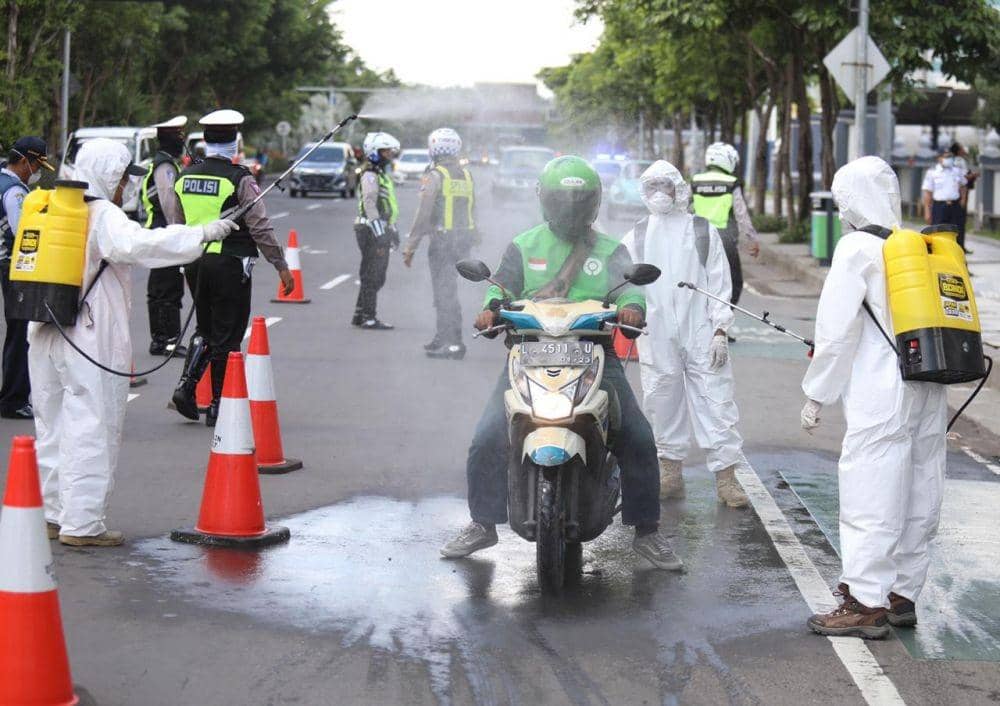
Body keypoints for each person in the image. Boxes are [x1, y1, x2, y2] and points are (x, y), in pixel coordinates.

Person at [440, 155, 681, 571]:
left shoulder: (611, 250)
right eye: (563, 200)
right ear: (545, 200)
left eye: (580, 200)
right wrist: (490, 310)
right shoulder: (524, 245)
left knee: (638, 437)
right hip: (530, 351)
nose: (571, 209)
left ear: (594, 202)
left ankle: (647, 531)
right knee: (486, 437)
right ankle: (482, 523)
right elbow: (500, 287)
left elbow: (630, 290)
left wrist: (632, 310)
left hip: (594, 351)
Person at [29, 138, 237, 546]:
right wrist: (201, 234)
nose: (126, 186)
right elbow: (141, 245)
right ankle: (82, 525)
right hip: (87, 334)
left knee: (52, 426)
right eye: (124, 178)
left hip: (43, 327)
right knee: (92, 423)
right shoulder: (102, 214)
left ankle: (53, 514)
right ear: (109, 175)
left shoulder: (52, 205)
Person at [801, 156, 948, 639]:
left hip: (882, 390)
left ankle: (865, 602)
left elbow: (836, 332)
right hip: (929, 383)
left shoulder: (856, 249)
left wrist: (816, 393)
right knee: (921, 486)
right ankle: (902, 594)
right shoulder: (921, 248)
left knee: (872, 488)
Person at [623, 160, 749, 509]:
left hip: (701, 329)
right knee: (661, 400)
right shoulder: (636, 235)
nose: (658, 193)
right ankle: (670, 474)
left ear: (678, 189)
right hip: (656, 332)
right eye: (651, 187)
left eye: (664, 186)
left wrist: (720, 329)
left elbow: (719, 284)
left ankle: (726, 479)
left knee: (716, 399)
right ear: (643, 192)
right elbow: (621, 281)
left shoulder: (701, 230)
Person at [169, 109, 293, 426]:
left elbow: (177, 223)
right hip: (229, 263)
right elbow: (260, 226)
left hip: (194, 261)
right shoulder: (240, 179)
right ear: (235, 143)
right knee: (228, 334)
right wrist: (280, 264)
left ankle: (186, 388)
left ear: (205, 141)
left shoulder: (184, 177)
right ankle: (218, 406)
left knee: (205, 328)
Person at [402, 127, 477, 359]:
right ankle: (442, 337)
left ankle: (453, 344)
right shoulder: (466, 175)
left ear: (434, 149)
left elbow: (423, 214)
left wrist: (410, 246)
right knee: (446, 291)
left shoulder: (435, 176)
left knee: (445, 293)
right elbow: (472, 209)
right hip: (463, 241)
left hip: (443, 242)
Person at [0, 136, 52, 419]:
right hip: (15, 267)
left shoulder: (1, 181)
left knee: (17, 332)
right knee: (20, 334)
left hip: (5, 264)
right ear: (24, 161)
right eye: (37, 165)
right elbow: (24, 233)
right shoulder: (15, 192)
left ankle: (11, 396)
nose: (37, 172)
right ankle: (13, 400)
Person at [142, 115, 190, 357]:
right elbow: (169, 203)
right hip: (165, 233)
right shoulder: (165, 167)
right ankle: (167, 341)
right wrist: (178, 234)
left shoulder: (163, 163)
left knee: (161, 288)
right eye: (179, 136)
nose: (182, 141)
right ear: (170, 138)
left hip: (159, 232)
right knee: (168, 290)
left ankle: (161, 340)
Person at [691, 142, 760, 309]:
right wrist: (752, 239)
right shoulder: (731, 182)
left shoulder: (696, 181)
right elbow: (741, 214)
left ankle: (701, 316)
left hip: (697, 238)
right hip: (724, 238)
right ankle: (722, 318)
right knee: (734, 282)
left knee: (697, 280)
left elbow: (683, 207)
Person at [352, 131, 400, 330]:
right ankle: (368, 317)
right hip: (370, 230)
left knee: (374, 275)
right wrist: (381, 234)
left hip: (378, 228)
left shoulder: (379, 173)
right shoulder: (370, 174)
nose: (389, 155)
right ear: (374, 152)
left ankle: (359, 313)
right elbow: (370, 204)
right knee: (373, 275)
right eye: (385, 151)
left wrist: (392, 230)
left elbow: (387, 205)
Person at [921, 148, 966, 247]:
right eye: (946, 157)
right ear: (939, 158)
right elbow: (928, 193)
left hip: (955, 205)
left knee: (957, 232)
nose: (948, 159)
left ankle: (958, 253)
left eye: (950, 156)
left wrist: (963, 200)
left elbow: (963, 186)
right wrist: (927, 211)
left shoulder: (957, 171)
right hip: (939, 206)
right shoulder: (932, 172)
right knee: (938, 233)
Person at [951, 142, 978, 253]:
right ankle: (960, 246)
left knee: (957, 221)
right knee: (960, 222)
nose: (964, 150)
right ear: (958, 151)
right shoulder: (959, 161)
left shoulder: (956, 160)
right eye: (962, 148)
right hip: (960, 194)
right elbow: (963, 177)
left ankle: (958, 245)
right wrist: (974, 175)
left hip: (955, 194)